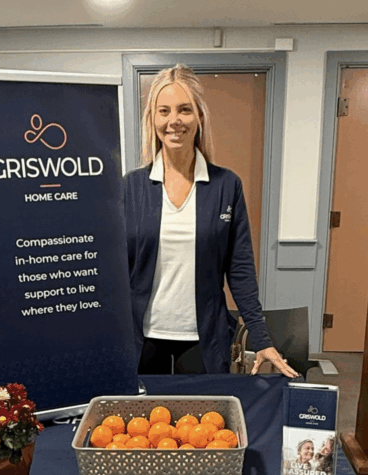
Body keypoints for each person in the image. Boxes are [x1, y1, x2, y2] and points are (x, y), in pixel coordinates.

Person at [123, 63, 297, 376]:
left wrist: (261, 337)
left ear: (200, 117)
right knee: (144, 425)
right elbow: (116, 271)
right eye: (164, 111)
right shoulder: (131, 187)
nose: (174, 121)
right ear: (153, 119)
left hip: (203, 339)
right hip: (142, 340)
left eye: (184, 110)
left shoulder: (225, 186)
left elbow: (240, 269)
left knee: (204, 424)